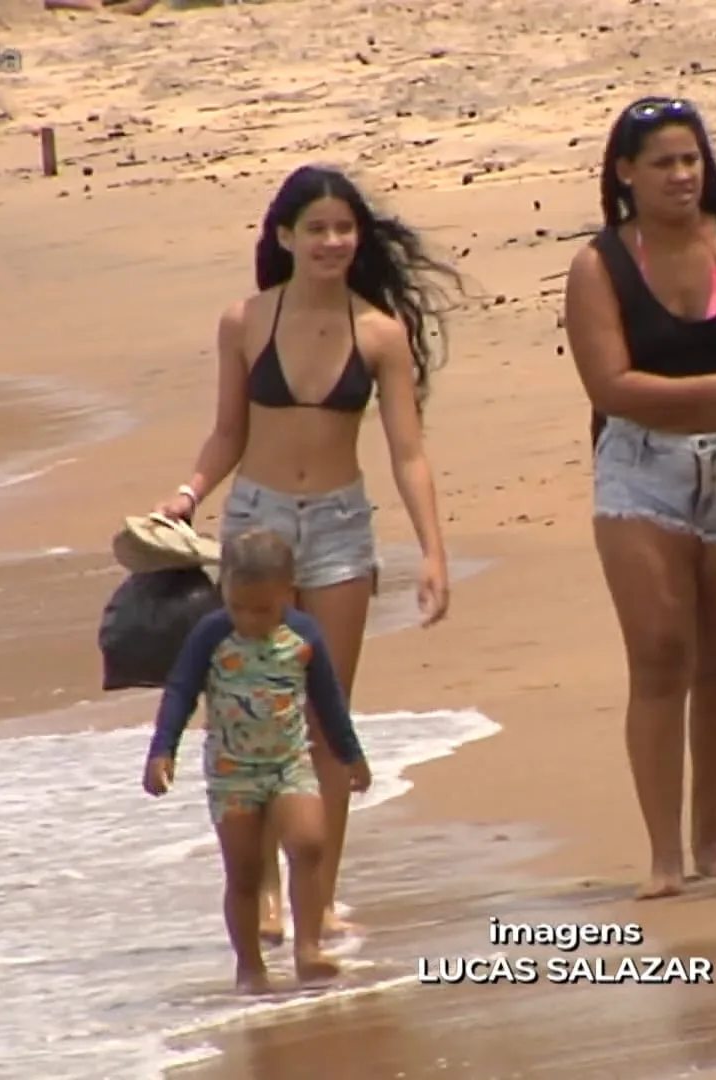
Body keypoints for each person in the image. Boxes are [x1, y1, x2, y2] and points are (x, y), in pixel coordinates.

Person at [155, 164, 460, 939]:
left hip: (338, 531)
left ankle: (315, 897)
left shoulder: (379, 334)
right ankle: (256, 889)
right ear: (284, 236)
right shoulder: (245, 321)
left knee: (325, 716)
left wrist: (433, 551)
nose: (331, 241)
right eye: (315, 228)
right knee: (253, 711)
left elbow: (409, 452)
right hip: (255, 529)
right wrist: (188, 495)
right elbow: (228, 430)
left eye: (343, 228)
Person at [563, 95, 716, 899]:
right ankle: (664, 855)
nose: (680, 175)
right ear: (625, 173)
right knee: (662, 653)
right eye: (662, 162)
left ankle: (710, 839)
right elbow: (612, 385)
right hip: (641, 468)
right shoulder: (600, 265)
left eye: (691, 159)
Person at [142, 529, 373, 993]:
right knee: (244, 870)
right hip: (233, 773)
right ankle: (249, 965)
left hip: (290, 761)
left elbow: (328, 701)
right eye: (238, 606)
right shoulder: (211, 633)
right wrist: (163, 749)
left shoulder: (304, 635)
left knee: (309, 844)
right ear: (224, 588)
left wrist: (351, 755)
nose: (249, 619)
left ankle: (308, 948)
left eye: (263, 609)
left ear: (288, 593)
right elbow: (181, 691)